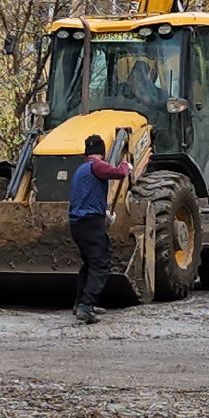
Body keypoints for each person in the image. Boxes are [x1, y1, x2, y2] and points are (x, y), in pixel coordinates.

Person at [67, 133, 131, 323]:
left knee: (88, 263)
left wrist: (103, 214)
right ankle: (86, 306)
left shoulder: (80, 170)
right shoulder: (97, 165)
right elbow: (119, 173)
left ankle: (80, 303)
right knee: (100, 264)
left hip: (77, 224)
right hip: (90, 223)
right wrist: (126, 166)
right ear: (101, 152)